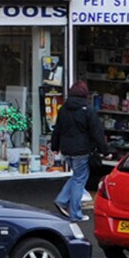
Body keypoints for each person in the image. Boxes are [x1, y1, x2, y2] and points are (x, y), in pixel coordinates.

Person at [51, 80, 111, 224]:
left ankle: (62, 200)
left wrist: (54, 147)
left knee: (77, 176)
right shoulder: (88, 110)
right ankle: (75, 213)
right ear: (85, 94)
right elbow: (96, 132)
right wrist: (105, 151)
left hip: (66, 150)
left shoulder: (63, 109)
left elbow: (57, 129)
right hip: (82, 150)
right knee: (79, 180)